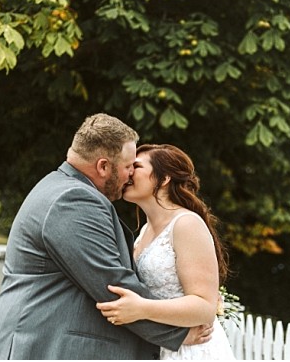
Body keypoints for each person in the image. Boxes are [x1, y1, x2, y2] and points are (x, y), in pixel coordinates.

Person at [0, 113, 213, 360]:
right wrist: (177, 334)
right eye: (127, 167)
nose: (129, 176)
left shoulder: (60, 187)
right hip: (38, 345)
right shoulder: (73, 200)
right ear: (103, 166)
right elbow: (111, 285)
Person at [96, 144, 236, 359]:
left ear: (164, 179)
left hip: (192, 350)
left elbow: (204, 306)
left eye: (136, 166)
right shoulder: (144, 231)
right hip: (162, 344)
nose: (128, 172)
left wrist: (142, 308)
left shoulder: (186, 224)